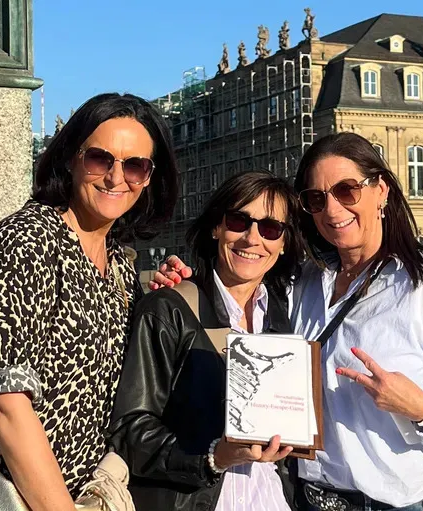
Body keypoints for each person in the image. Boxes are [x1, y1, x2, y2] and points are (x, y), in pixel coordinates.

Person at [154, 133, 423, 511]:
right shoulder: (303, 282)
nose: (332, 210)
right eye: (316, 198)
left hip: (398, 502)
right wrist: (185, 282)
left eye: (347, 190)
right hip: (310, 500)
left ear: (381, 190)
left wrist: (421, 408)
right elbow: (240, 285)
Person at [0, 93, 179, 511]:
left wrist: (159, 297)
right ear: (71, 159)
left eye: (135, 165)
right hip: (6, 494)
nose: (116, 177)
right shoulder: (25, 241)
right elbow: (2, 403)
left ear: (150, 177)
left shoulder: (118, 263)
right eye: (100, 159)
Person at [108, 171, 306, 511]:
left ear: (284, 242)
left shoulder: (282, 316)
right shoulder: (168, 309)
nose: (252, 238)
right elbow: (130, 429)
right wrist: (212, 456)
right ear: (216, 227)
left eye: (270, 228)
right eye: (238, 221)